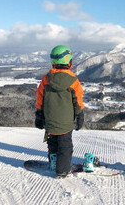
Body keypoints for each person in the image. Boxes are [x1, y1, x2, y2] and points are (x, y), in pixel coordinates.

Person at [35, 45, 85, 178]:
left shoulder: (46, 79)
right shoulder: (73, 81)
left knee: (53, 142)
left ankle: (53, 163)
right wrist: (80, 115)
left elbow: (40, 98)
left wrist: (39, 115)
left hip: (49, 119)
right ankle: (62, 170)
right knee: (65, 146)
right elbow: (78, 101)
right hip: (66, 122)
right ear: (69, 62)